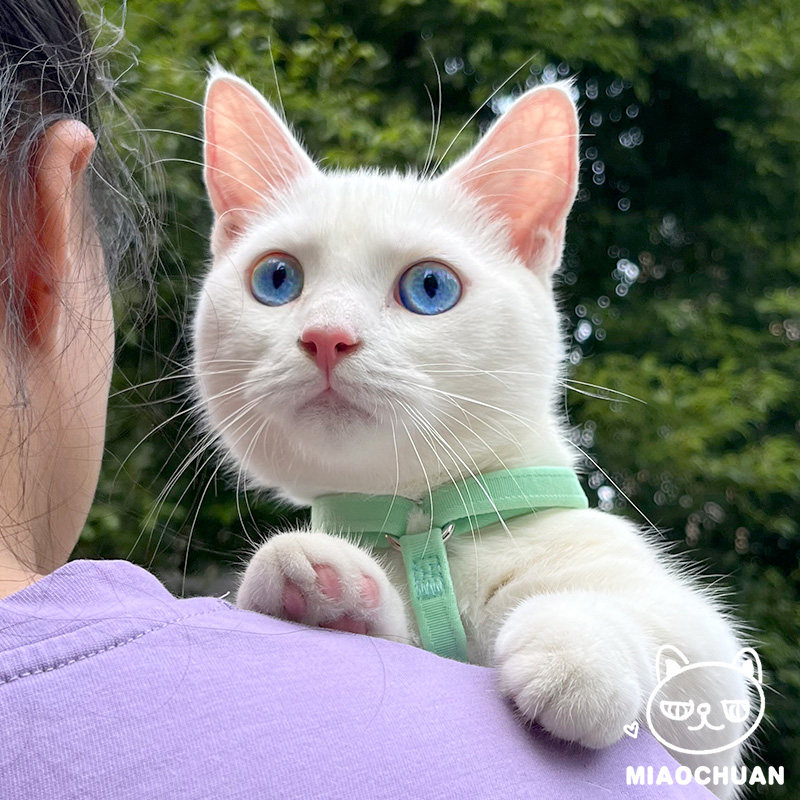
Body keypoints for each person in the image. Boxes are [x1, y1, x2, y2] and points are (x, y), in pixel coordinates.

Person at [0, 2, 712, 798]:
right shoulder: (314, 575)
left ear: (529, 245)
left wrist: (608, 638)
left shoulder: (576, 548)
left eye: (427, 286)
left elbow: (716, 713)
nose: (328, 332)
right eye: (279, 279)